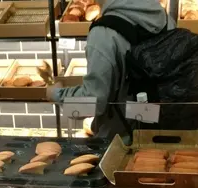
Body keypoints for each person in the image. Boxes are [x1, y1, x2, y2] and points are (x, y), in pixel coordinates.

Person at [47, 0, 174, 138]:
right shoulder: (165, 19)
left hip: (121, 141)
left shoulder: (104, 34)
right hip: (161, 130)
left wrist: (56, 95)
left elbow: (93, 103)